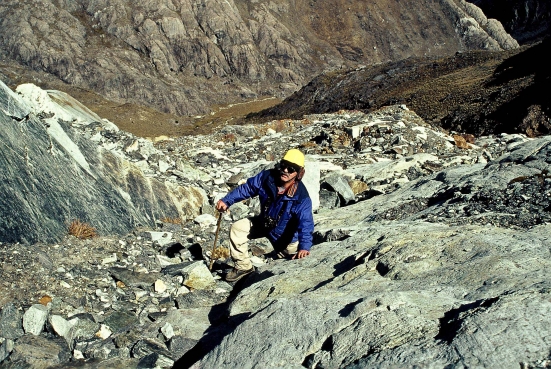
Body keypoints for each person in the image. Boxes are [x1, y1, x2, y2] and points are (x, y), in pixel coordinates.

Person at [216, 149, 314, 282]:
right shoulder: (267, 177)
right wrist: (227, 200)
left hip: (285, 239)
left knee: (288, 273)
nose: (285, 170)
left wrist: (304, 246)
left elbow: (306, 223)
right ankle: (243, 267)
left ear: (299, 173)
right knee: (237, 228)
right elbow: (247, 188)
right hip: (264, 223)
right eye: (283, 165)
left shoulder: (301, 197)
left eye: (291, 169)